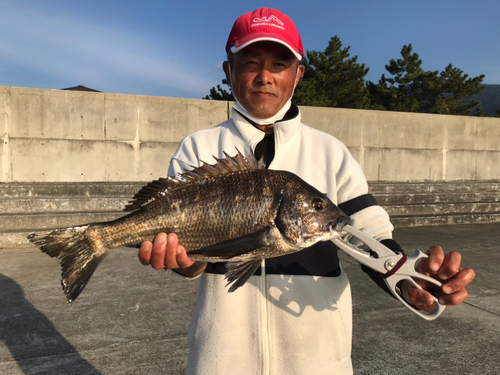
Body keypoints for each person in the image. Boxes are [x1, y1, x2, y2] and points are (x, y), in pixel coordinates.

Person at [138, 8, 475, 375]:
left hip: (318, 364)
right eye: (250, 61)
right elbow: (192, 257)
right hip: (220, 362)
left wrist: (411, 277)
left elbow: (371, 240)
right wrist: (184, 264)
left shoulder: (331, 153)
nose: (264, 76)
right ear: (228, 71)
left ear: (298, 74)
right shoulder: (197, 148)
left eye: (280, 64)